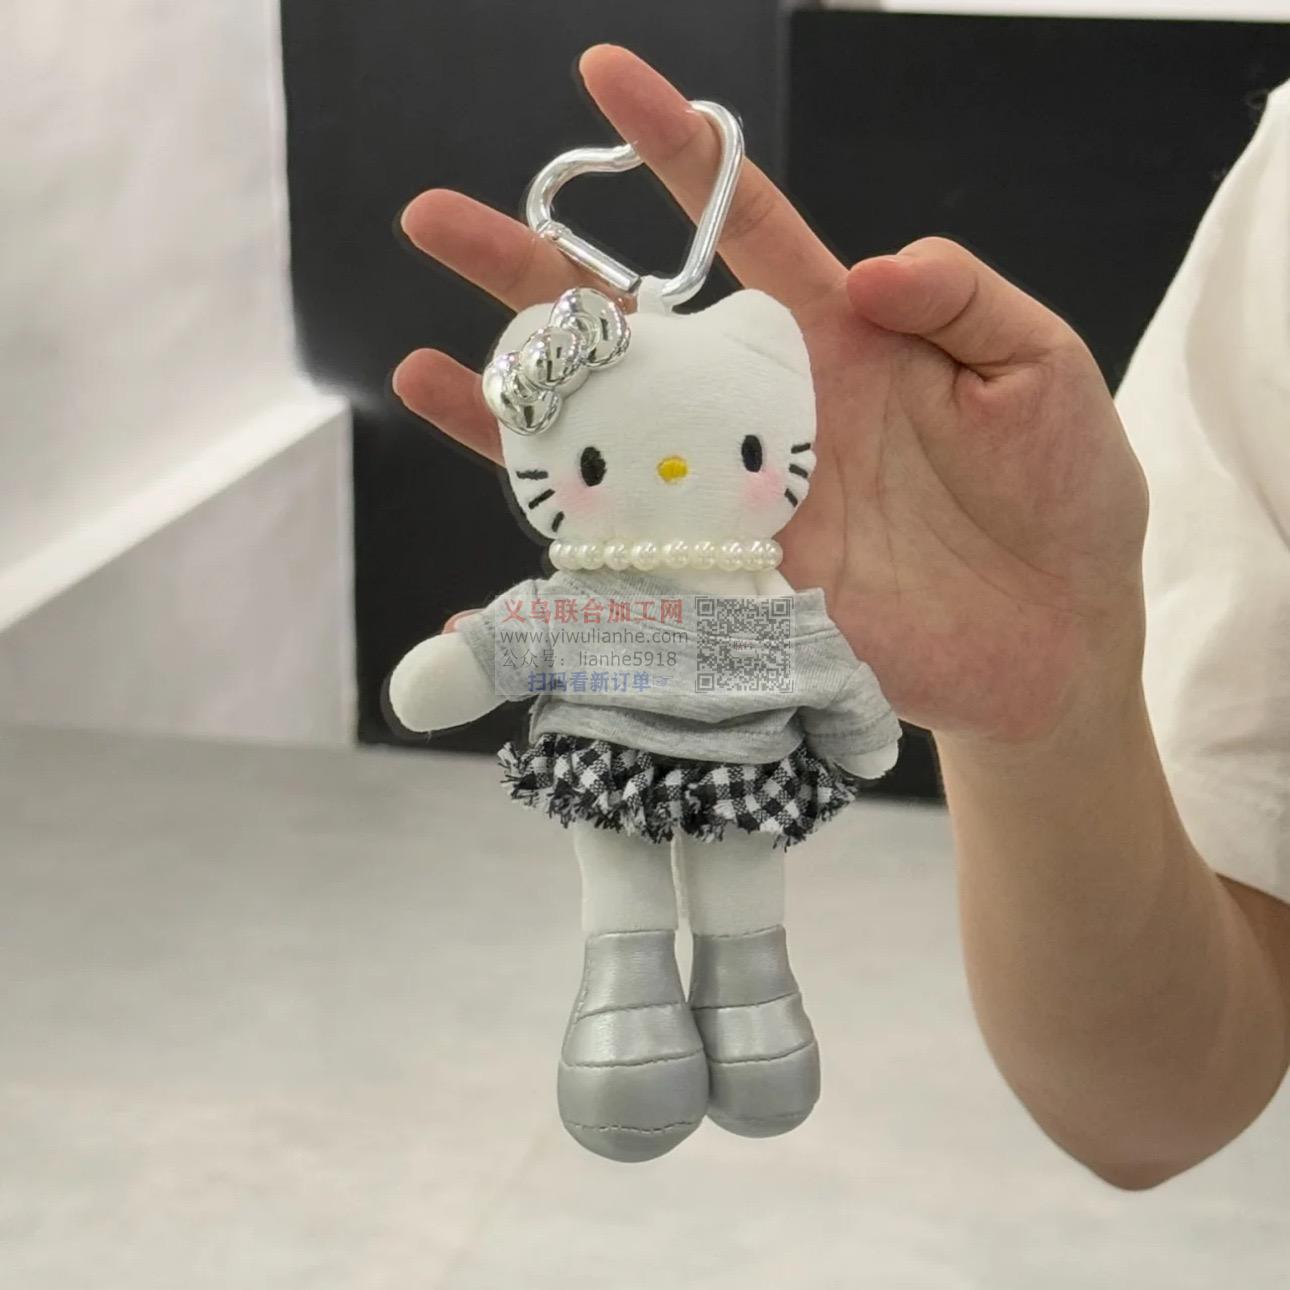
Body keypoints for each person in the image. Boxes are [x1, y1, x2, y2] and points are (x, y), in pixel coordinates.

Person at [391, 45, 1290, 1188]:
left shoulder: (761, 609)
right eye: (608, 458)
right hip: (624, 755)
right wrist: (1050, 720)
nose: (682, 467)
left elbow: (825, 676)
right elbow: (1161, 1100)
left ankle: (747, 1005)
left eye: (739, 446)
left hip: (730, 761)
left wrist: (903, 721)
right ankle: (628, 1005)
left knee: (738, 899)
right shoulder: (615, 602)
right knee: (623, 900)